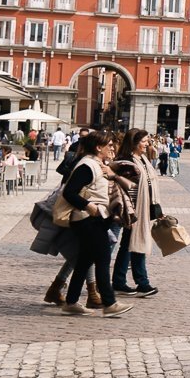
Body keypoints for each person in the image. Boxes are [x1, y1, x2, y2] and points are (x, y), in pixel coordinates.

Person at [56, 132, 133, 317]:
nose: (113, 148)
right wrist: (88, 206)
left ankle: (71, 302)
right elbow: (69, 192)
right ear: (99, 148)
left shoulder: (97, 164)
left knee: (84, 262)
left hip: (95, 219)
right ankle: (110, 303)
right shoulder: (87, 166)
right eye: (109, 145)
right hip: (88, 220)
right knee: (103, 259)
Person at [109, 129, 160, 298]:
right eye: (144, 141)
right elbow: (126, 189)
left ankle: (121, 282)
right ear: (134, 143)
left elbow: (150, 184)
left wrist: (156, 208)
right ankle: (141, 283)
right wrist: (130, 214)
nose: (147, 144)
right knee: (134, 244)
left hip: (144, 208)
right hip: (133, 210)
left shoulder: (142, 159)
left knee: (130, 245)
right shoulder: (127, 162)